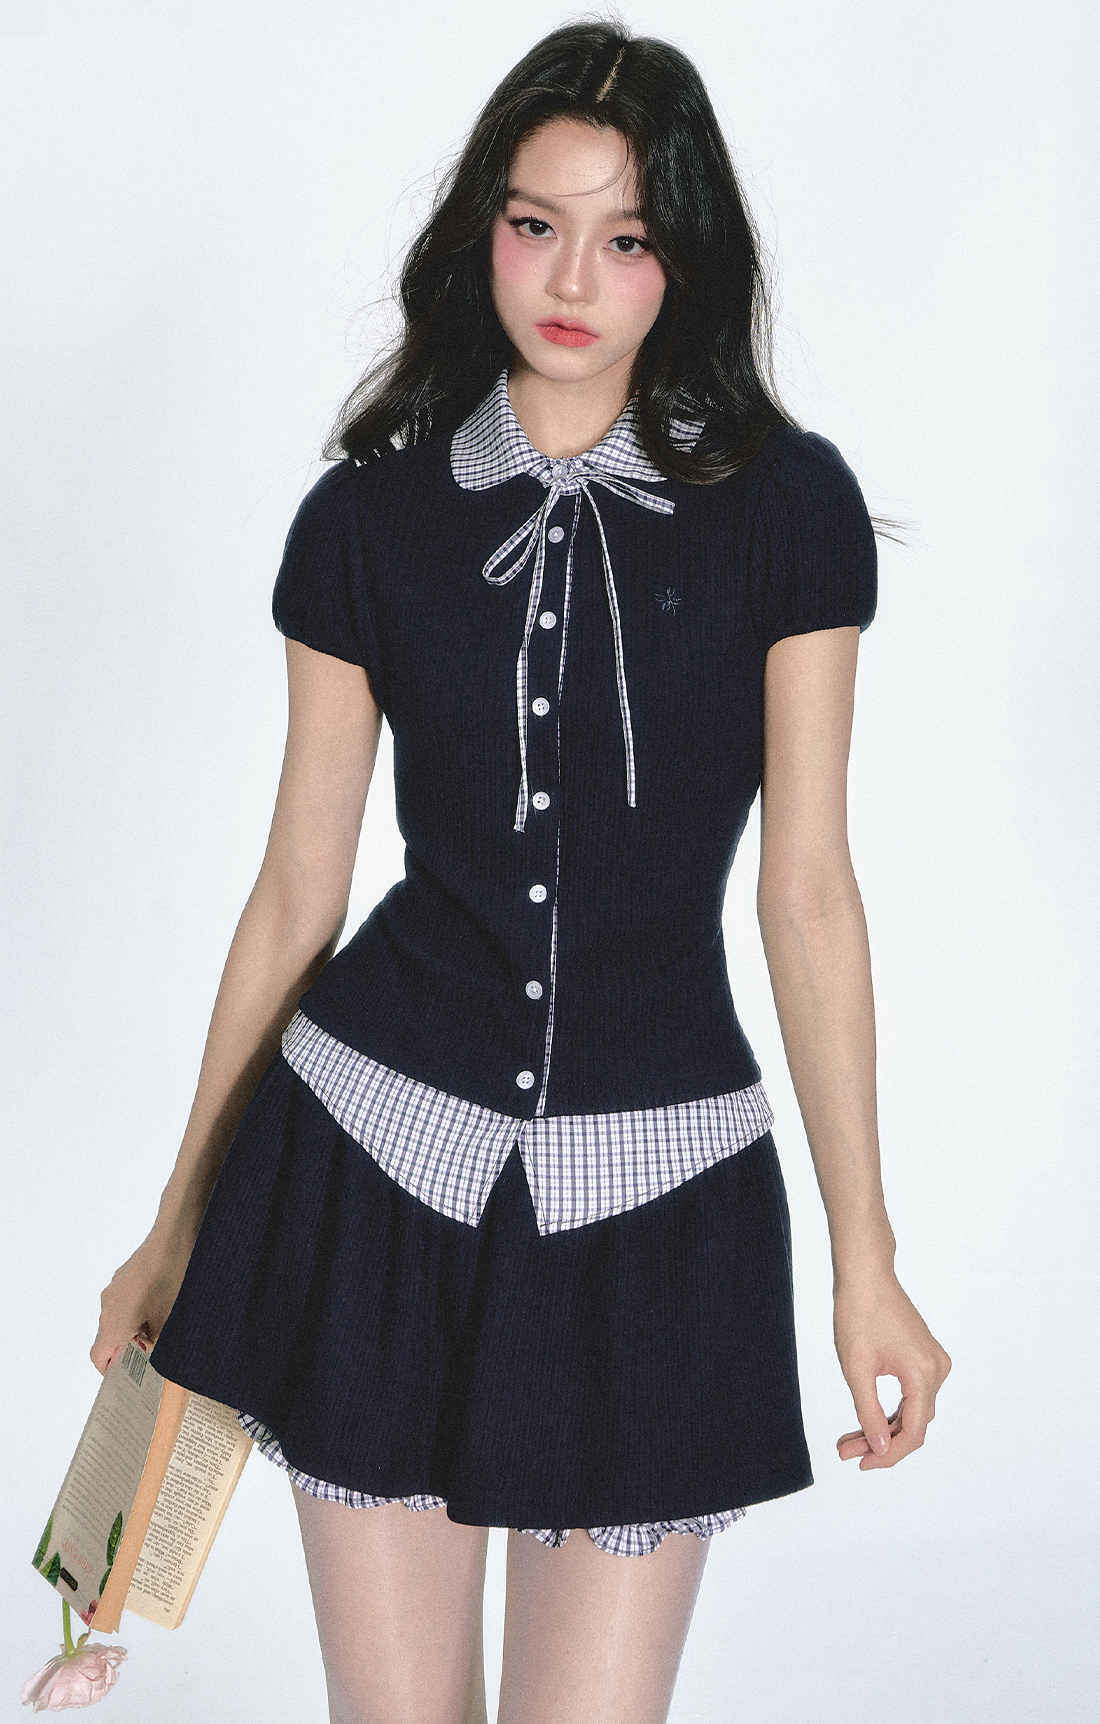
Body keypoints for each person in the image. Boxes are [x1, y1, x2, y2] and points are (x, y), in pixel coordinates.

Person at [90, 21, 951, 1723]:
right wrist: (175, 1222)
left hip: (657, 1208)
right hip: (371, 1175)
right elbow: (297, 895)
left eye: (627, 238)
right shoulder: (366, 521)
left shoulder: (787, 511)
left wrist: (866, 1259)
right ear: (481, 224)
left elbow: (809, 893)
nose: (572, 279)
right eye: (537, 224)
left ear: (685, 260)